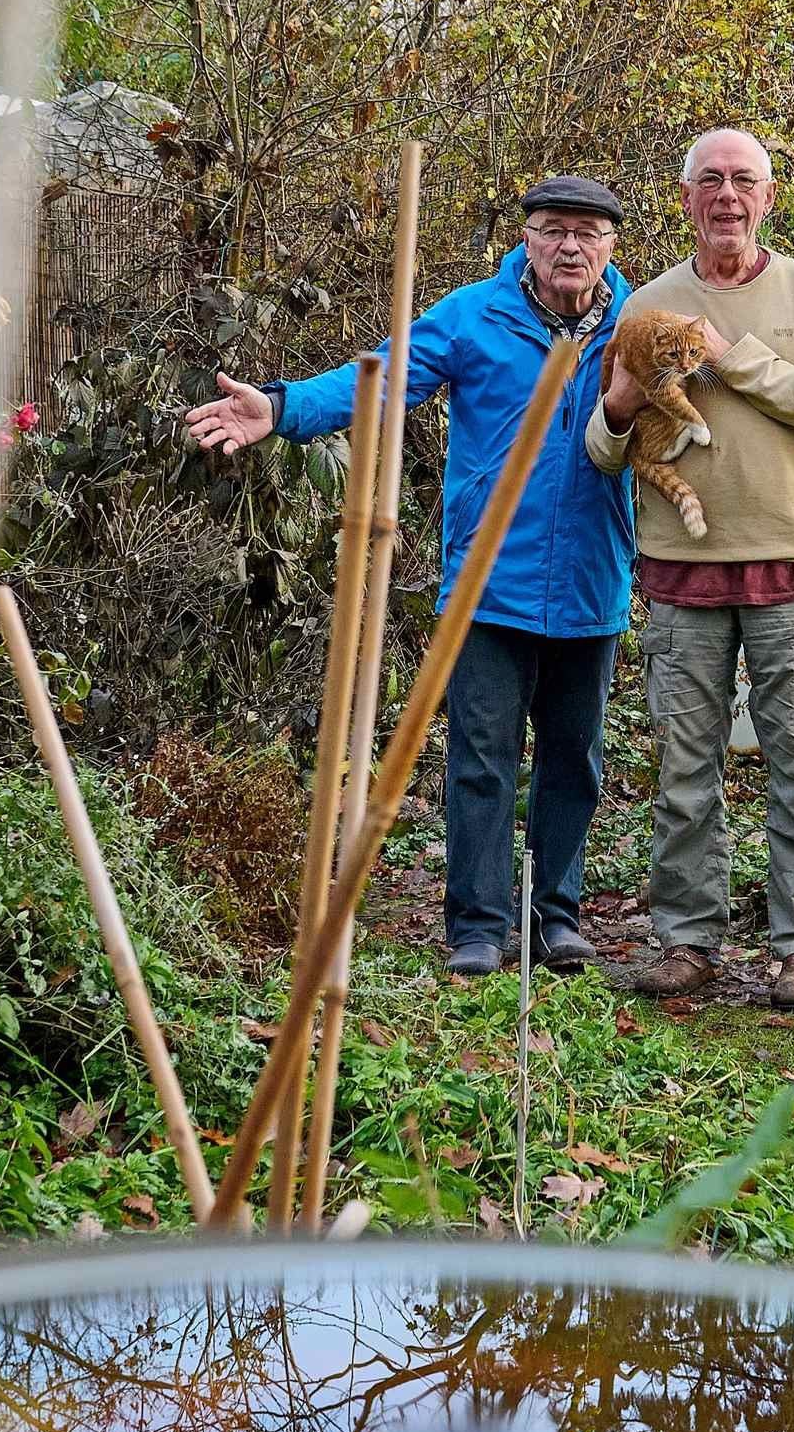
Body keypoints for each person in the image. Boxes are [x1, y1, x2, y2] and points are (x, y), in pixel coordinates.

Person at [185, 175, 634, 980]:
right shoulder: (474, 316)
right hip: (487, 584)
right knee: (481, 755)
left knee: (575, 755)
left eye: (588, 232)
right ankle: (478, 925)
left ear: (611, 247)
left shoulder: (636, 328)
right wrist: (281, 409)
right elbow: (381, 376)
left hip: (591, 580)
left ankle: (555, 916)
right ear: (526, 239)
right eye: (554, 229)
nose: (571, 246)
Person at [588, 129, 794, 1010]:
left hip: (793, 558)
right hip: (682, 568)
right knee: (684, 764)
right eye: (710, 181)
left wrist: (733, 355)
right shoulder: (647, 303)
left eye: (744, 181)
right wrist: (624, 407)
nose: (727, 196)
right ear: (686, 200)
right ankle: (687, 940)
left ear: (768, 198)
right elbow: (601, 448)